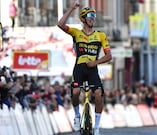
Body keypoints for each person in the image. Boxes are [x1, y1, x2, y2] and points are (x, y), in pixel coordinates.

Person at [57, 1, 112, 135]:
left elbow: (109, 56)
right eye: (89, 15)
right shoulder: (76, 33)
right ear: (83, 19)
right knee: (75, 92)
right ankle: (76, 116)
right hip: (79, 68)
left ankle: (97, 127)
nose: (92, 17)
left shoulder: (100, 35)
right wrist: (71, 8)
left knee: (98, 94)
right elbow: (60, 24)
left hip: (92, 69)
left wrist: (95, 62)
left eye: (93, 15)